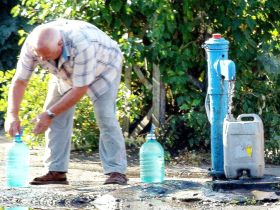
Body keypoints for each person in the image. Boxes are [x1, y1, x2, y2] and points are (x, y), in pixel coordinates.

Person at [4, 19, 128, 185]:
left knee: (104, 114)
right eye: (39, 55)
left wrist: (48, 114)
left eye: (46, 56)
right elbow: (20, 80)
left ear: (60, 44)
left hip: (104, 66)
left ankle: (116, 171)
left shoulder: (82, 44)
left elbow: (80, 89)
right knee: (53, 112)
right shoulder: (33, 44)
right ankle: (56, 172)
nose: (41, 59)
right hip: (65, 70)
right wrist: (12, 114)